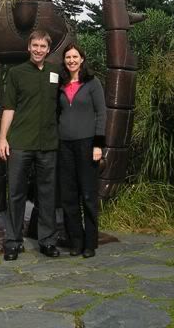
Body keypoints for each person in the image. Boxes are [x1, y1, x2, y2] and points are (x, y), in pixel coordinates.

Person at [0, 30, 60, 261]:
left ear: (48, 49)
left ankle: (47, 241)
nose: (38, 50)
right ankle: (13, 242)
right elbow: (9, 108)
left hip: (48, 143)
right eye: (35, 45)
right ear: (29, 47)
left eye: (43, 46)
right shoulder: (16, 73)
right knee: (15, 194)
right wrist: (2, 138)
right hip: (20, 142)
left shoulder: (56, 72)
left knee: (47, 195)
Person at [58, 43, 106, 258]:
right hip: (64, 146)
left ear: (82, 59)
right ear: (64, 60)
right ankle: (76, 241)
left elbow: (101, 114)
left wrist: (98, 144)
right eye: (68, 57)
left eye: (75, 57)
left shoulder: (92, 83)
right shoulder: (60, 84)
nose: (71, 60)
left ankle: (90, 243)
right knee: (68, 197)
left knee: (88, 196)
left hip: (87, 145)